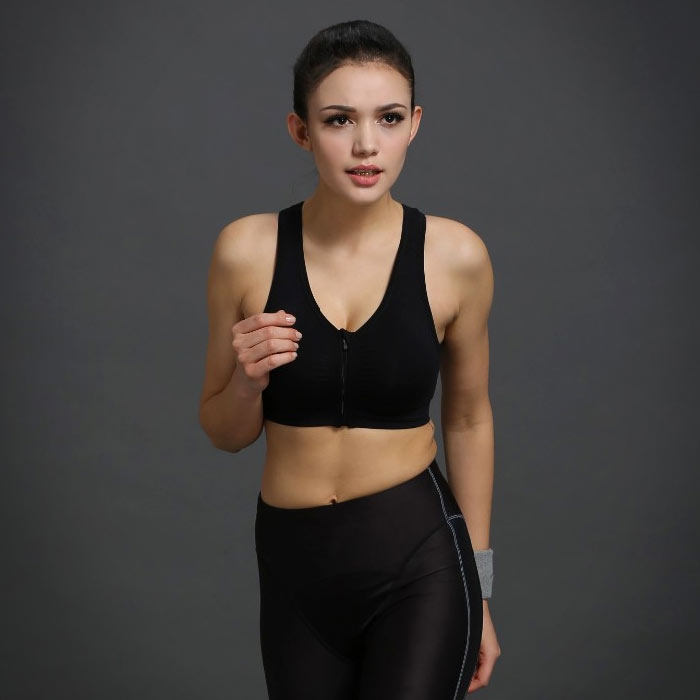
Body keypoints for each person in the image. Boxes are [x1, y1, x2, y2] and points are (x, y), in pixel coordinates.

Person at [199, 19, 500, 699]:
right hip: (294, 566)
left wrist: (480, 590)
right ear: (300, 130)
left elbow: (470, 420)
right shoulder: (245, 251)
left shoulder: (455, 256)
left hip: (421, 558)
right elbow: (223, 431)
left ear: (414, 124)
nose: (367, 145)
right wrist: (248, 382)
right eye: (339, 120)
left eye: (389, 118)